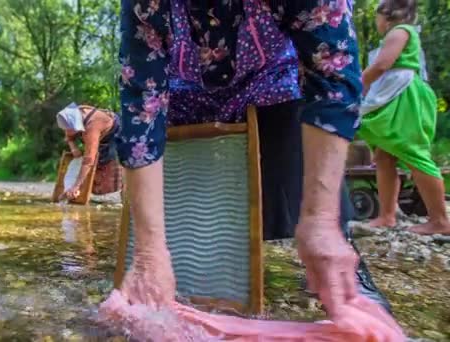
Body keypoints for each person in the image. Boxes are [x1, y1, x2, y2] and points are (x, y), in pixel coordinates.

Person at [114, 0, 394, 330]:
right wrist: (148, 251)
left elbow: (332, 74)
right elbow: (141, 112)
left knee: (309, 196)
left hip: (272, 86)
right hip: (182, 95)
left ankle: (340, 266)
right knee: (161, 265)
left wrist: (320, 220)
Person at [359, 0, 450, 235]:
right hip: (394, 94)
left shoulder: (400, 31)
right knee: (384, 155)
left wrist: (356, 84)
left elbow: (382, 65)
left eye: (377, 18)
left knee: (413, 153)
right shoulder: (400, 33)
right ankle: (387, 215)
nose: (376, 23)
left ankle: (440, 220)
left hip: (405, 97)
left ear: (387, 16)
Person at [56, 103, 123, 201]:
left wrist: (76, 186)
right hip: (101, 136)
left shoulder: (92, 127)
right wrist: (73, 148)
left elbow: (88, 161)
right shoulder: (75, 113)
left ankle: (127, 193)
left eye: (70, 129)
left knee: (106, 178)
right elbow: (68, 134)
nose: (67, 132)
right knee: (90, 175)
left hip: (116, 135)